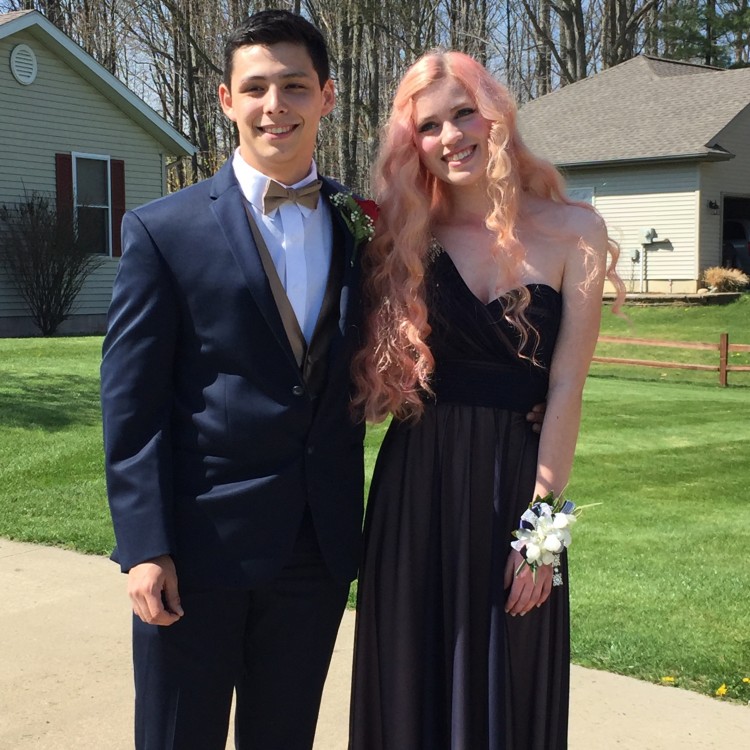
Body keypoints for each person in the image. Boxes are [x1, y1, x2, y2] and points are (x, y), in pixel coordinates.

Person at [101, 10, 367, 750]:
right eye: (255, 87)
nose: (274, 104)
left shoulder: (360, 221)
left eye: (294, 85)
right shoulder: (164, 230)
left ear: (327, 96)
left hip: (316, 549)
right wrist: (146, 545)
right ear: (226, 100)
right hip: (197, 549)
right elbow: (133, 404)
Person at [348, 51, 624, 749]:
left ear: (495, 112)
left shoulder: (576, 232)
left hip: (515, 490)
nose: (451, 136)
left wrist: (543, 536)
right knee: (410, 684)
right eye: (429, 126)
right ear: (415, 144)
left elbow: (566, 386)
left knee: (516, 675)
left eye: (463, 112)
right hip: (416, 492)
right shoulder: (400, 238)